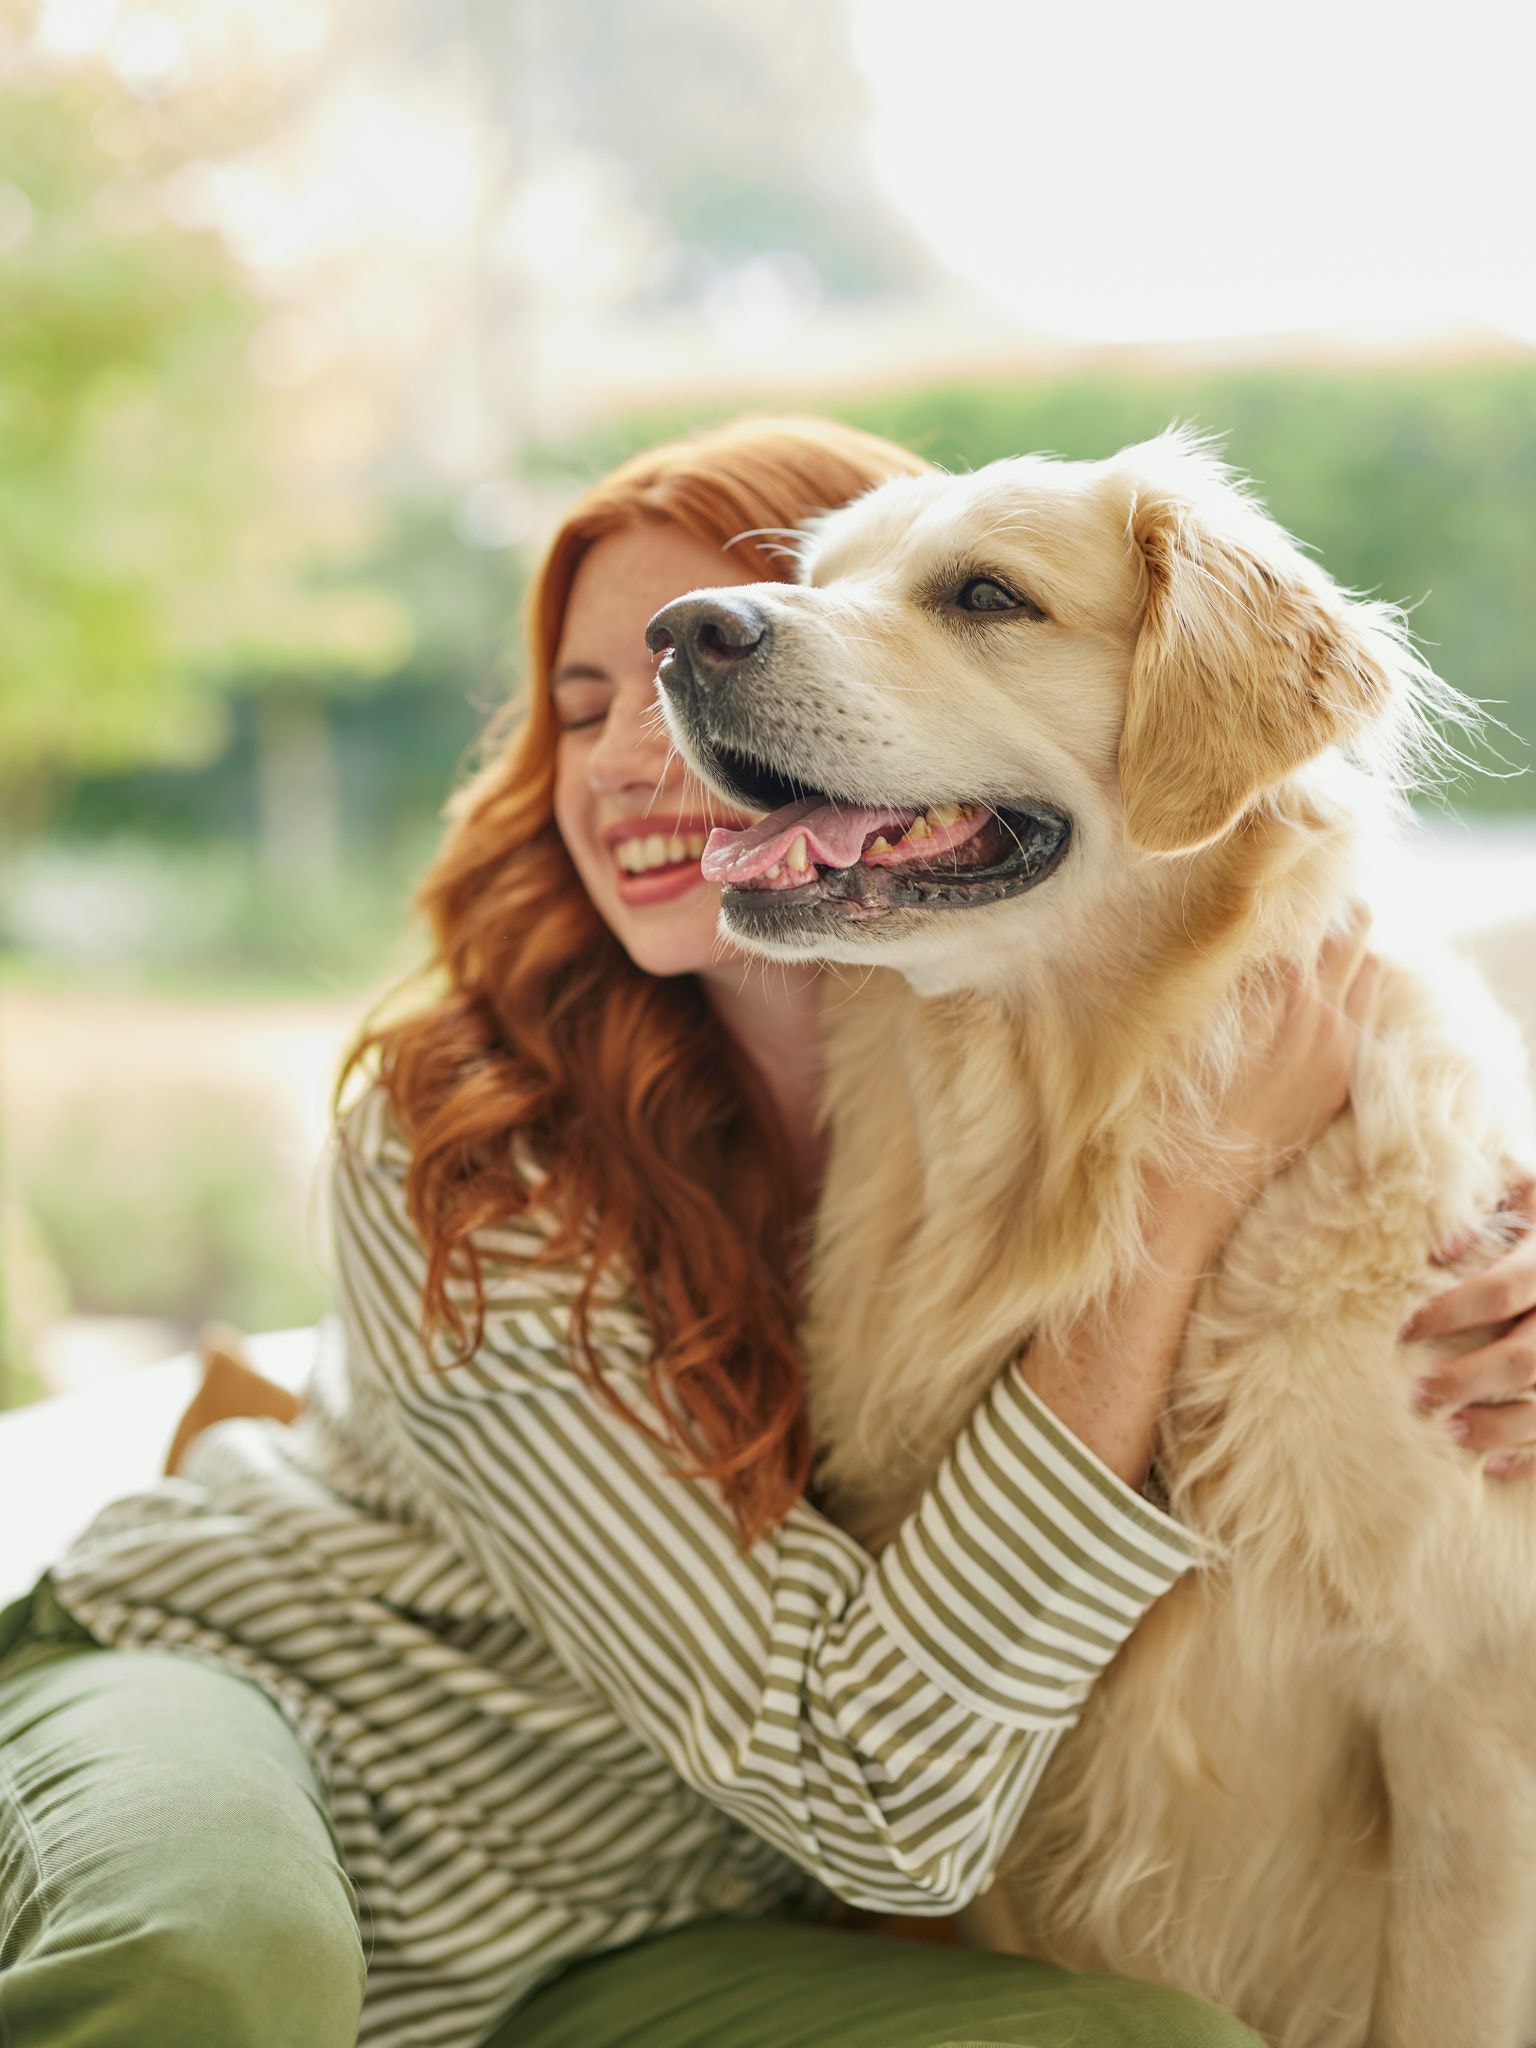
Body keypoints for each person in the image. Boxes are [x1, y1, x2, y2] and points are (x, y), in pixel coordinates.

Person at [3, 417, 1534, 2048]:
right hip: (291, 1718)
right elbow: (866, 1780)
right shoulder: (468, 1135)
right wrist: (1189, 1196)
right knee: (209, 1957)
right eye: (587, 702)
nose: (644, 738)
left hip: (643, 1910)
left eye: (973, 600)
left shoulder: (988, 1079)